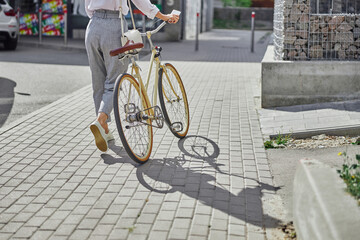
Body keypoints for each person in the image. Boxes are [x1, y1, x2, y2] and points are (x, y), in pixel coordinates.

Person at [85, 0, 179, 152]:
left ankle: (105, 130)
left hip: (92, 26)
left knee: (98, 81)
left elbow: (87, 5)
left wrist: (97, 17)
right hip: (114, 26)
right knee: (113, 82)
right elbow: (141, 2)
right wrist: (164, 16)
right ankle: (100, 120)